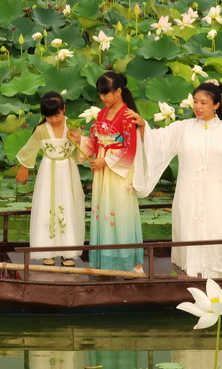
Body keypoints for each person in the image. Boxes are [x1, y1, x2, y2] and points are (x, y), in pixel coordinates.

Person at [128, 79, 222, 278]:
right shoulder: (182, 128)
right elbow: (156, 141)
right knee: (190, 231)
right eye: (195, 101)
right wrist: (143, 125)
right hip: (188, 193)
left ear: (216, 105)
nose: (198, 107)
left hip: (218, 195)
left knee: (219, 231)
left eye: (204, 103)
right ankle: (191, 275)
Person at [72, 72, 144, 273]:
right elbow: (96, 142)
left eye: (106, 93)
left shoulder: (128, 115)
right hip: (103, 170)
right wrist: (81, 140)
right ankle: (106, 263)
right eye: (101, 93)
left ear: (118, 91)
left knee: (121, 212)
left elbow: (130, 148)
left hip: (118, 171)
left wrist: (105, 161)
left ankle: (133, 264)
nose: (103, 98)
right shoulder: (102, 114)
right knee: (103, 212)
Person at [15, 92, 85, 267]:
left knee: (68, 205)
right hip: (48, 172)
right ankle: (48, 251)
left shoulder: (73, 126)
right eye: (49, 116)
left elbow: (83, 149)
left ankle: (68, 252)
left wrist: (78, 139)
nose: (53, 119)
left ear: (63, 109)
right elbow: (30, 149)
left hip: (68, 171)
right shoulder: (41, 130)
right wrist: (24, 167)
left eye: (57, 115)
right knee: (47, 207)